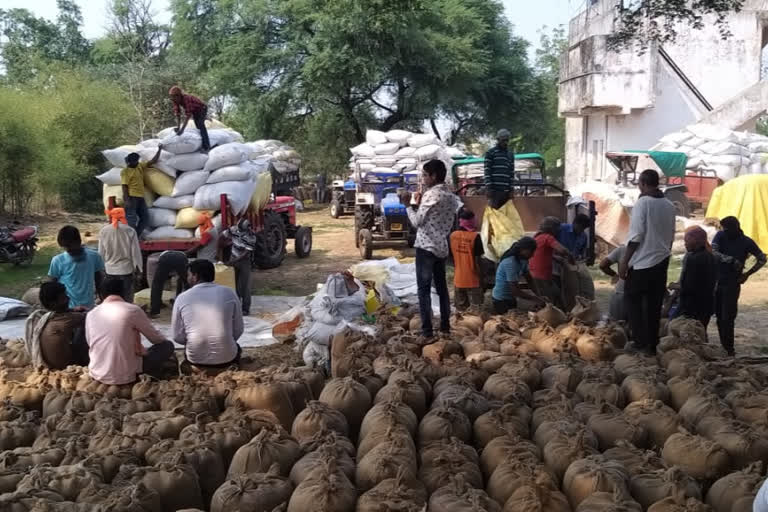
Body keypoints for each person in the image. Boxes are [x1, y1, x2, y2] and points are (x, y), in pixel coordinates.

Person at [618, 169, 677, 355]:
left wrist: (624, 261)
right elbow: (671, 236)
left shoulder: (643, 203)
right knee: (653, 304)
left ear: (642, 184)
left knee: (632, 300)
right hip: (662, 260)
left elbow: (636, 236)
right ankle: (652, 344)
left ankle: (639, 341)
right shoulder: (669, 205)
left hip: (643, 262)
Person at [406, 159, 462, 339]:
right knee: (442, 289)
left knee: (423, 291)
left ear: (434, 176)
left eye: (424, 175)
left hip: (425, 247)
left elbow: (417, 222)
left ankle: (427, 331)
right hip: (441, 247)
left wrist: (408, 205)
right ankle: (445, 327)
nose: (423, 179)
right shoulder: (452, 197)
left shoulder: (431, 195)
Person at [85, 277, 175, 385]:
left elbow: (91, 342)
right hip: (126, 375)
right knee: (167, 346)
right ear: (125, 292)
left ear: (100, 295)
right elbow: (156, 339)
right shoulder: (132, 310)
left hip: (97, 372)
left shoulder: (91, 314)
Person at [172, 259, 244, 370]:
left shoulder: (182, 297)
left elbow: (177, 336)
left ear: (195, 276)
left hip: (196, 359)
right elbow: (238, 329)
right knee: (236, 348)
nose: (187, 278)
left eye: (188, 275)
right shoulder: (229, 293)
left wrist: (193, 340)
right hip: (227, 358)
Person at [711, 216, 766, 356]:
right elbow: (713, 252)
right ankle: (724, 346)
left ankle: (729, 349)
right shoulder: (720, 235)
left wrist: (747, 274)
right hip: (717, 281)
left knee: (727, 317)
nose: (725, 231)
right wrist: (730, 260)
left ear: (736, 228)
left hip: (732, 283)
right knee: (718, 315)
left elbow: (762, 258)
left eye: (727, 229)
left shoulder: (746, 242)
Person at [24, 282, 89, 370]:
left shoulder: (46, 317)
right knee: (85, 326)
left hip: (49, 363)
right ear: (54, 303)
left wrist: (72, 309)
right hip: (66, 366)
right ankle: (87, 361)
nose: (68, 298)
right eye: (63, 297)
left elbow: (65, 313)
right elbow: (91, 316)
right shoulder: (70, 319)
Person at [48, 226, 105, 309]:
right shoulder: (58, 260)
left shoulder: (94, 256)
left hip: (88, 306)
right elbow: (51, 284)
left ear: (78, 241)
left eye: (69, 246)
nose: (67, 249)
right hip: (68, 308)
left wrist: (101, 297)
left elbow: (98, 278)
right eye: (64, 247)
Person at [673, 226, 718, 329]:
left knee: (685, 331)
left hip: (693, 305)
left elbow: (689, 286)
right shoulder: (710, 256)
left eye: (687, 241)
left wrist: (676, 287)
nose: (685, 244)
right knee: (700, 331)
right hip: (706, 303)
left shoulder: (694, 258)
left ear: (696, 241)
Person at [98, 207, 142, 303]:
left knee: (111, 299)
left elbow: (101, 253)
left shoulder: (104, 231)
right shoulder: (130, 231)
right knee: (127, 299)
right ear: (123, 215)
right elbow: (135, 253)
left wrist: (101, 269)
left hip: (110, 271)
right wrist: (139, 269)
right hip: (126, 270)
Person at [491, 236, 545, 314]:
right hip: (501, 299)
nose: (533, 255)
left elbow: (529, 279)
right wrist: (535, 299)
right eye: (531, 251)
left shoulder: (523, 260)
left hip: (511, 297)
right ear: (523, 249)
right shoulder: (510, 262)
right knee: (506, 323)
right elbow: (515, 291)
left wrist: (538, 295)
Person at [528, 217, 574, 307]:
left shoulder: (537, 237)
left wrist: (555, 258)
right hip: (541, 275)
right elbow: (562, 250)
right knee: (549, 300)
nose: (558, 231)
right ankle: (549, 317)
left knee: (553, 294)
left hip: (534, 273)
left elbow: (540, 253)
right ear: (552, 229)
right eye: (557, 229)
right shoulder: (548, 237)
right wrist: (570, 256)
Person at [449, 209, 485, 311]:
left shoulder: (453, 235)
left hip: (459, 278)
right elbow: (478, 260)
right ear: (472, 221)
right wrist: (482, 277)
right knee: (476, 311)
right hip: (473, 278)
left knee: (461, 312)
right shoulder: (475, 237)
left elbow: (451, 256)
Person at [122, 146, 162, 235]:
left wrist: (159, 150)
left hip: (140, 197)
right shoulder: (125, 172)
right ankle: (132, 238)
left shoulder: (139, 166)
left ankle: (135, 235)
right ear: (130, 162)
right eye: (135, 161)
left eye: (137, 161)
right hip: (131, 197)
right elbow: (124, 186)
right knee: (131, 220)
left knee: (145, 218)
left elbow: (153, 161)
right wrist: (127, 200)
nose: (137, 162)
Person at [221, 219, 256, 316]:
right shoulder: (233, 229)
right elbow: (222, 236)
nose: (240, 231)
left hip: (244, 262)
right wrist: (219, 250)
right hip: (233, 257)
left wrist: (232, 262)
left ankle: (245, 309)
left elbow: (246, 253)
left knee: (245, 286)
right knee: (233, 285)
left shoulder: (251, 236)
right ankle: (235, 306)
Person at [169, 86, 210, 152]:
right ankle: (202, 143)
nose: (173, 99)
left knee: (200, 125)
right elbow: (178, 114)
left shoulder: (186, 99)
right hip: (194, 110)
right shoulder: (175, 100)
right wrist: (178, 127)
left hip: (202, 108)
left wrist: (182, 130)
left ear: (179, 96)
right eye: (171, 97)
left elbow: (188, 116)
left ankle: (207, 147)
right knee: (198, 127)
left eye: (174, 97)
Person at [149, 251, 189, 318]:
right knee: (186, 282)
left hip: (165, 258)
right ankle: (185, 306)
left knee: (157, 284)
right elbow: (181, 279)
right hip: (181, 259)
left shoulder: (161, 256)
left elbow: (156, 279)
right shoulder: (183, 255)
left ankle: (154, 311)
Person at [484, 129, 514, 209]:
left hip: (506, 192)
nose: (506, 143)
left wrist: (511, 189)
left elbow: (511, 173)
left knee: (505, 217)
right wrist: (489, 189)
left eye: (507, 140)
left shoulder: (510, 154)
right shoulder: (490, 153)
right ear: (498, 139)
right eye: (503, 140)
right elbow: (487, 172)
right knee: (494, 217)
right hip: (494, 192)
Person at [599, 244, 627, 322]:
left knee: (616, 326)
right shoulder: (650, 251)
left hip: (621, 294)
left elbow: (602, 265)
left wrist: (616, 275)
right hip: (640, 296)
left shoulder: (622, 249)